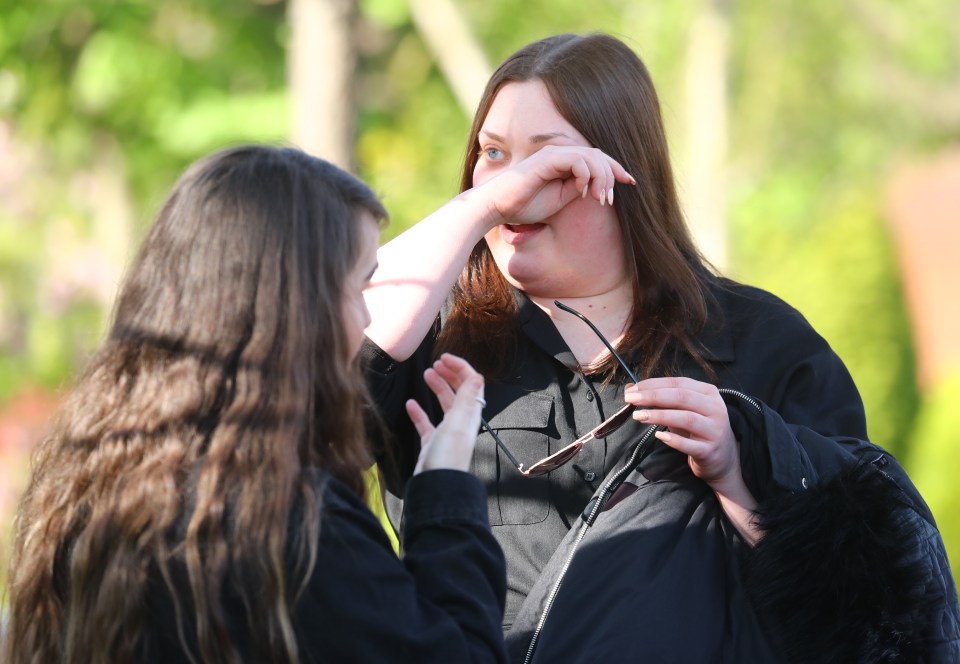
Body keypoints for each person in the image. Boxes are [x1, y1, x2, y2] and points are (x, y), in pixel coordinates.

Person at [361, 32, 960, 661]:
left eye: (549, 159)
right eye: (493, 152)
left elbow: (865, 599)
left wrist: (739, 464)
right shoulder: (434, 343)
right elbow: (329, 352)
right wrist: (482, 205)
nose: (519, 184)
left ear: (621, 169)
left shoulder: (760, 340)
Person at [4, 145, 510, 663]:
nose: (364, 318)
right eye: (357, 287)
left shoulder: (90, 476)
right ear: (293, 305)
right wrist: (445, 489)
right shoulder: (287, 522)